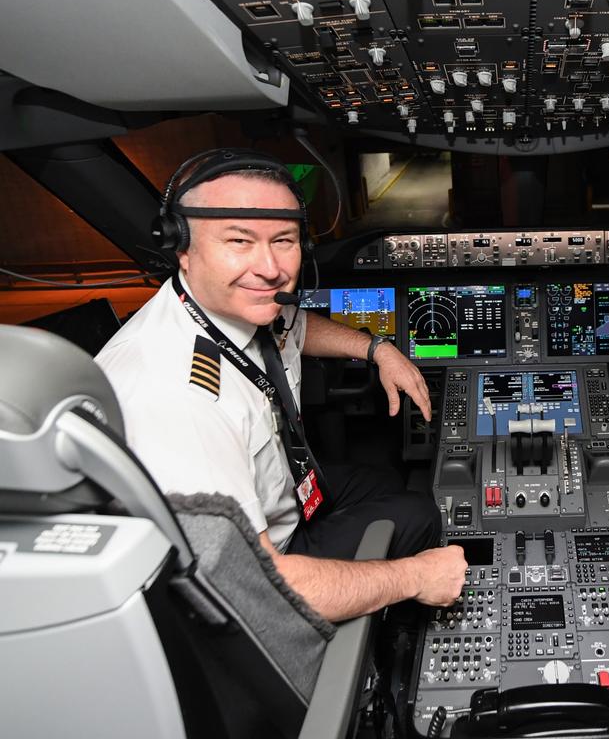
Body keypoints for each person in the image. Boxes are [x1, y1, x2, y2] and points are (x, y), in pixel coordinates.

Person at [96, 149, 467, 622]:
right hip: (270, 563)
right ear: (181, 247)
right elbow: (251, 585)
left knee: (381, 479)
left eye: (284, 241)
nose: (269, 268)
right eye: (239, 241)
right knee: (420, 514)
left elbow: (296, 326)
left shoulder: (235, 307)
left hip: (283, 493)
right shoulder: (173, 397)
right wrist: (414, 577)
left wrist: (377, 350)